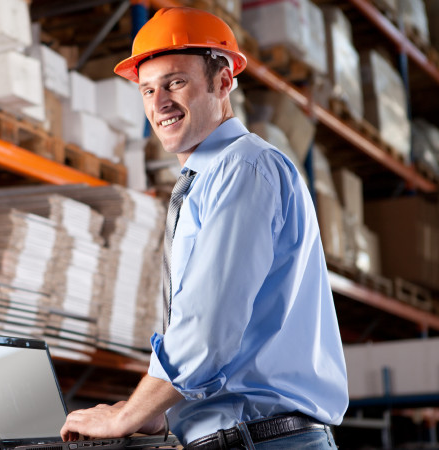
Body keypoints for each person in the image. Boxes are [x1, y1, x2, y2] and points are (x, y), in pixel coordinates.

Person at [60, 7, 349, 450]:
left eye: (175, 82)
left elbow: (207, 330)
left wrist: (126, 417)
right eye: (147, 90)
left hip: (261, 440)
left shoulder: (243, 169)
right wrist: (155, 413)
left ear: (222, 82)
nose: (159, 104)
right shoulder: (208, 181)